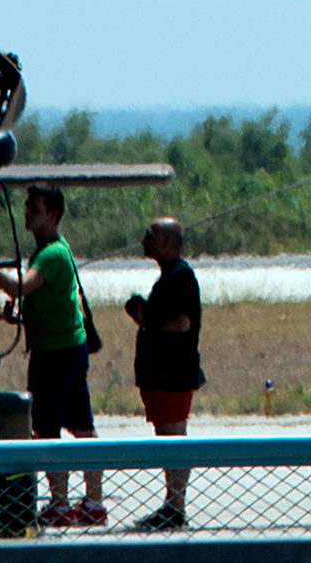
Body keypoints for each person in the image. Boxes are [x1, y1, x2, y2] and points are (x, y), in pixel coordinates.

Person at [0, 183, 105, 527]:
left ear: (52, 215)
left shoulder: (52, 253)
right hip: (66, 348)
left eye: (34, 208)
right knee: (82, 426)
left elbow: (20, 287)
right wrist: (21, 316)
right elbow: (42, 299)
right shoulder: (48, 251)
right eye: (27, 207)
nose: (27, 213)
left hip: (57, 355)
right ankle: (93, 502)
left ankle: (60, 503)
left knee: (47, 429)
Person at [122, 217, 203, 530]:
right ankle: (172, 504)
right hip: (162, 375)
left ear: (167, 242)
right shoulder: (169, 276)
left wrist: (145, 319)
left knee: (173, 435)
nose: (143, 240)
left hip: (174, 373)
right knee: (167, 434)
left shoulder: (181, 278)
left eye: (150, 235)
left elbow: (181, 323)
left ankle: (175, 506)